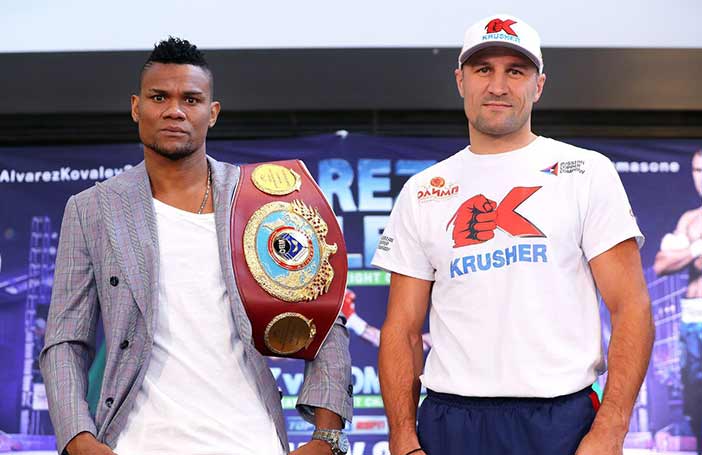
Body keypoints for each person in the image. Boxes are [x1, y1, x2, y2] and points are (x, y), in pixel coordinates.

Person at [40, 37, 352, 455]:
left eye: (191, 99)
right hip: (137, 443)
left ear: (212, 112)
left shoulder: (261, 199)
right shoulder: (92, 209)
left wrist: (327, 437)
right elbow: (64, 341)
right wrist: (77, 438)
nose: (174, 110)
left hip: (251, 441)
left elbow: (324, 317)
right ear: (137, 107)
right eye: (159, 97)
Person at [372, 14, 653, 455]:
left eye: (515, 71)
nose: (498, 86)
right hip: (450, 421)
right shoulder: (423, 190)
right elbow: (401, 330)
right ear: (460, 81)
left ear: (538, 85)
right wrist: (403, 440)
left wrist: (611, 429)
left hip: (561, 420)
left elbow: (631, 307)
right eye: (483, 70)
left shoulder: (585, 172)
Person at [654, 149, 702, 455]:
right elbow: (661, 264)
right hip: (691, 322)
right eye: (698, 171)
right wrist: (697, 250)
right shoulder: (690, 219)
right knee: (696, 405)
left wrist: (685, 253)